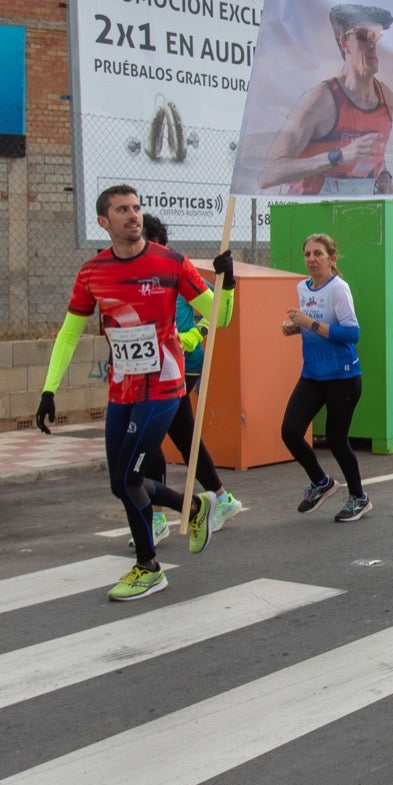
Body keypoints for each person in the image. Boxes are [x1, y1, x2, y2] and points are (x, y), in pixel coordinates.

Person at [35, 185, 222, 601]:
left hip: (164, 383)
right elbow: (69, 333)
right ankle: (193, 508)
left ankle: (148, 567)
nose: (133, 215)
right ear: (104, 222)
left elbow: (221, 314)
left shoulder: (171, 263)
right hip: (122, 387)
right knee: (120, 484)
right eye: (122, 210)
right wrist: (49, 389)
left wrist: (221, 286)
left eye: (137, 208)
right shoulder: (92, 273)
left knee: (129, 476)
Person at [134, 215, 242, 543]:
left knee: (155, 439)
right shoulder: (134, 276)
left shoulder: (175, 270)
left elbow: (218, 312)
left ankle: (155, 517)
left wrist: (196, 334)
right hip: (149, 368)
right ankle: (221, 498)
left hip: (182, 365)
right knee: (182, 436)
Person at [258, 4, 393, 195]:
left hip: (357, 214)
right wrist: (337, 156)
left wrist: (384, 175)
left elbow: (374, 155)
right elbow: (266, 174)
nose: (372, 45)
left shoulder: (385, 97)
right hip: (312, 216)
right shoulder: (321, 100)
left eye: (376, 37)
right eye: (363, 36)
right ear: (344, 43)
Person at [282, 234, 370, 522]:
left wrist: (309, 323)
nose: (311, 259)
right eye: (307, 254)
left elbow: (352, 333)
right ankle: (321, 482)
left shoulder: (338, 289)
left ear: (332, 259)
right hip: (313, 374)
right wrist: (295, 328)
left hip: (342, 376)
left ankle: (359, 497)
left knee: (335, 440)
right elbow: (315, 327)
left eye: (318, 254)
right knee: (290, 432)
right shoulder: (302, 288)